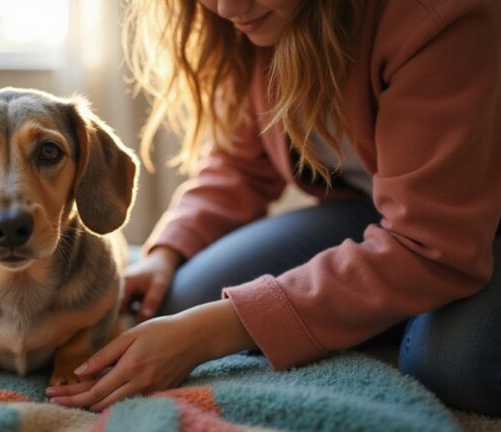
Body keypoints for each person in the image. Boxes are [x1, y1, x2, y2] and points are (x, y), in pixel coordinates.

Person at [47, 0, 501, 415]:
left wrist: (213, 332)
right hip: (380, 211)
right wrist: (166, 253)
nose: (228, 8)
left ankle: (394, 304)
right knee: (181, 297)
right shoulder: (257, 24)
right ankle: (380, 300)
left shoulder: (436, 17)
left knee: (454, 365)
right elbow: (240, 166)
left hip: (470, 225)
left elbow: (428, 242)